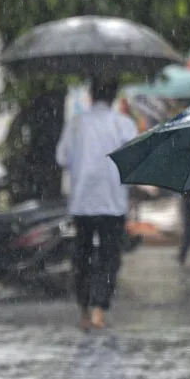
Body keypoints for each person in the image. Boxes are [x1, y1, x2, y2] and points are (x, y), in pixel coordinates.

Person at [55, 77, 139, 329]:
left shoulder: (76, 124)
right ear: (113, 97)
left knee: (81, 256)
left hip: (83, 202)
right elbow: (134, 160)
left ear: (91, 95)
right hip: (113, 203)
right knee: (109, 257)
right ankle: (100, 309)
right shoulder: (124, 125)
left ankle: (83, 309)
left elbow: (61, 158)